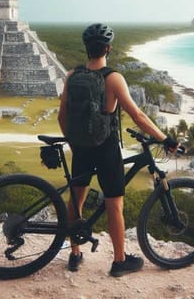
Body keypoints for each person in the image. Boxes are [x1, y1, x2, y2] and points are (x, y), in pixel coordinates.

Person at [57, 23, 178, 277]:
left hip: (80, 148)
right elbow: (138, 115)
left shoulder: (72, 76)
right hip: (106, 148)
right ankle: (119, 261)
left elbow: (62, 115)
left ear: (86, 48)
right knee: (114, 204)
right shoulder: (113, 78)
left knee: (76, 199)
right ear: (108, 48)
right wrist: (164, 137)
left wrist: (74, 142)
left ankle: (75, 253)